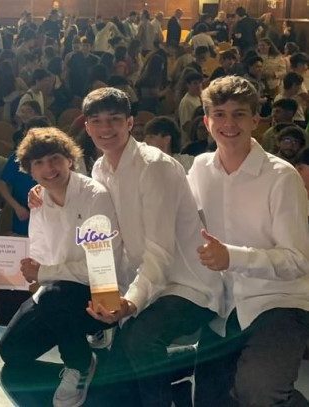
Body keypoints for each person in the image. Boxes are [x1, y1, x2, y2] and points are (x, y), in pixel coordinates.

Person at [76, 87, 224, 407]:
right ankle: (180, 381)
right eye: (96, 121)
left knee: (140, 341)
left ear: (130, 123)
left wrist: (130, 303)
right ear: (86, 126)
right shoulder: (100, 168)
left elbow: (160, 252)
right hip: (145, 286)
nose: (105, 128)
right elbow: (106, 238)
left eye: (114, 119)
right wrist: (44, 195)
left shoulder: (154, 166)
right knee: (109, 387)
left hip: (189, 285)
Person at [189, 75, 309, 407]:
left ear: (256, 119)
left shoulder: (281, 177)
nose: (229, 124)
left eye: (239, 114)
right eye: (220, 114)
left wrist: (233, 257)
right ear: (207, 121)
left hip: (279, 301)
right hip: (224, 303)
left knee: (259, 392)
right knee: (209, 399)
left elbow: (298, 259)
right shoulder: (200, 168)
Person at [0, 126, 123, 407]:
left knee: (54, 296)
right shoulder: (38, 199)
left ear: (70, 159)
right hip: (58, 291)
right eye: (39, 163)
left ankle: (80, 364)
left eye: (55, 158)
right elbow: (40, 255)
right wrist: (36, 275)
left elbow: (101, 268)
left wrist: (43, 274)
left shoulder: (95, 196)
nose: (49, 168)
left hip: (102, 292)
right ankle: (81, 330)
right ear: (30, 170)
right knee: (13, 351)